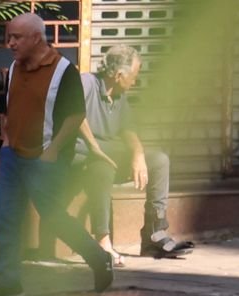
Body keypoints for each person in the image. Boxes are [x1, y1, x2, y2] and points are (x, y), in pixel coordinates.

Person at [0, 13, 112, 296]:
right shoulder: (15, 67)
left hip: (45, 159)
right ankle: (10, 283)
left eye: (17, 37)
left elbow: (76, 114)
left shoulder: (64, 70)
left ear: (36, 38)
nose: (9, 43)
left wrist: (53, 150)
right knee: (5, 217)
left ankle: (98, 257)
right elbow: (8, 106)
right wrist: (6, 141)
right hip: (14, 155)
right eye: (9, 36)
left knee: (53, 218)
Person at [76, 44, 192, 262]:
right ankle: (102, 244)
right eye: (135, 75)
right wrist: (95, 148)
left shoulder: (119, 96)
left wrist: (138, 155)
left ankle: (153, 235)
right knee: (102, 167)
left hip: (107, 155)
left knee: (159, 160)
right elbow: (75, 115)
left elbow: (128, 130)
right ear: (120, 74)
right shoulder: (86, 83)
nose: (136, 81)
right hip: (82, 155)